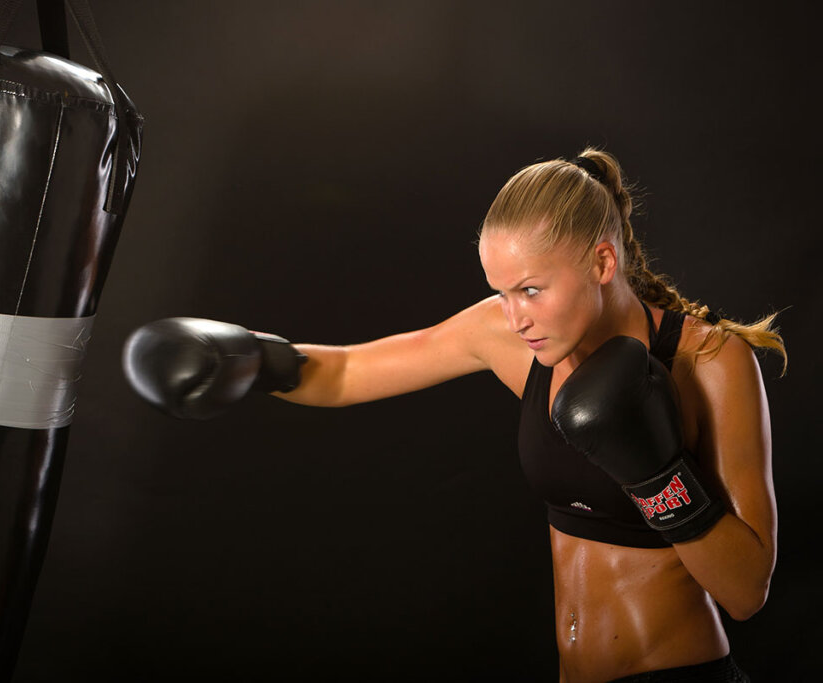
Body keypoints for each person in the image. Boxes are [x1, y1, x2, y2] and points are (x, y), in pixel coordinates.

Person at [123, 148, 785, 682]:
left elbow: (746, 589)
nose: (514, 315)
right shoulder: (511, 334)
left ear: (602, 261)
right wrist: (251, 360)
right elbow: (352, 369)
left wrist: (655, 471)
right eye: (500, 292)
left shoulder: (708, 360)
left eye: (531, 289)